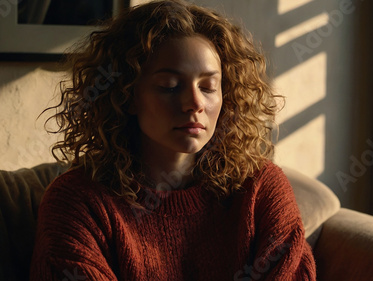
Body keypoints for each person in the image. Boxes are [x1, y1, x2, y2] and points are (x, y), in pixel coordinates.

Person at [29, 0, 316, 280]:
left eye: (208, 87)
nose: (194, 103)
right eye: (170, 86)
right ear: (126, 95)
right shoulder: (79, 201)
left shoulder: (260, 188)